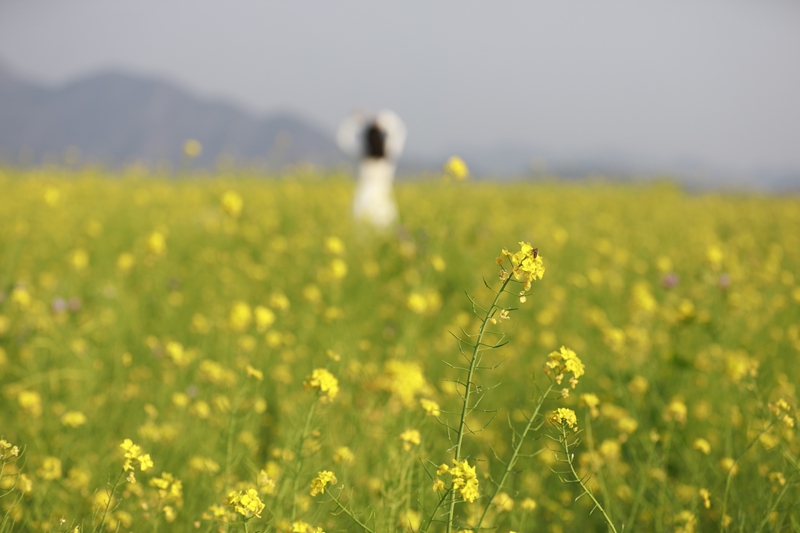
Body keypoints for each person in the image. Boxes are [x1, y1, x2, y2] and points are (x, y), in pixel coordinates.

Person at [337, 110, 406, 229]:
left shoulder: (363, 157)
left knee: (362, 229)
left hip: (363, 199)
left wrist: (355, 121)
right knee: (384, 228)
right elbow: (400, 132)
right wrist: (383, 120)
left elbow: (343, 139)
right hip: (383, 201)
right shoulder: (388, 157)